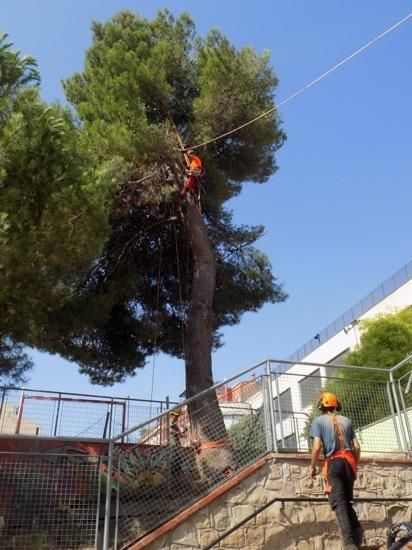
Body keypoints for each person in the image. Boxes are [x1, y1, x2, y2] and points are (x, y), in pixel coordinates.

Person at [309, 392, 363, 550]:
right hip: (350, 463)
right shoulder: (347, 420)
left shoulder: (318, 421)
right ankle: (358, 537)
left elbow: (317, 446)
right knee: (347, 502)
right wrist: (355, 465)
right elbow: (357, 447)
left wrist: (312, 466)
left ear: (322, 406)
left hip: (334, 463)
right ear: (335, 405)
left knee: (339, 504)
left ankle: (349, 544)